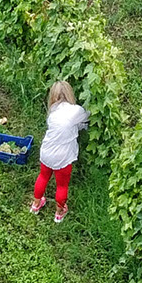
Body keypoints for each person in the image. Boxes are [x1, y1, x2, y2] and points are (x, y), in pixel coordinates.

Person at [30, 80, 89, 222]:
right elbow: (86, 119)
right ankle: (59, 212)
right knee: (62, 185)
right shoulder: (76, 110)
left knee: (43, 177)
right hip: (63, 157)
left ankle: (36, 205)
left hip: (47, 152)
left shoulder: (52, 111)